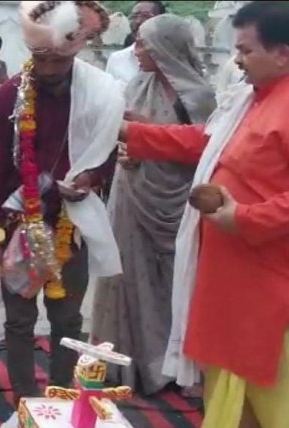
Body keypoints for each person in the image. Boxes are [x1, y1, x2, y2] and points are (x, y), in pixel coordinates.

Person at [119, 2, 289, 428]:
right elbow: (209, 142)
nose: (237, 59)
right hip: (241, 287)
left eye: (246, 50)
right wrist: (132, 133)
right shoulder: (257, 98)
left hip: (282, 294)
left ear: (282, 53)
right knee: (235, 410)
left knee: (280, 417)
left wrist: (249, 218)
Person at [0, 0, 124, 409]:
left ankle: (60, 400)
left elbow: (107, 154)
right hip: (18, 225)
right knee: (19, 320)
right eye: (39, 59)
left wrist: (91, 178)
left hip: (71, 225)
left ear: (76, 50)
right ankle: (25, 404)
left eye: (57, 61)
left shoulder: (98, 93)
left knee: (67, 319)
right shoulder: (9, 95)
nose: (47, 70)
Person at [91, 14, 216, 397]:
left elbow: (208, 150)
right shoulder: (134, 86)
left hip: (181, 199)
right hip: (134, 193)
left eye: (144, 43)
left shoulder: (200, 96)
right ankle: (133, 365)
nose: (137, 50)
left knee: (179, 281)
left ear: (166, 48)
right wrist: (124, 152)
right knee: (130, 276)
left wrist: (146, 133)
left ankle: (178, 367)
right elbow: (115, 135)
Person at [105, 1, 166, 85]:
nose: (138, 21)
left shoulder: (170, 60)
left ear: (161, 21)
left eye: (145, 16)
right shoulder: (117, 59)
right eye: (134, 16)